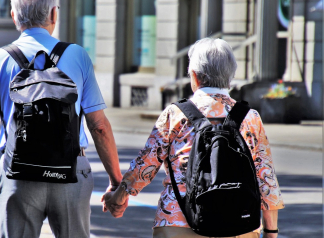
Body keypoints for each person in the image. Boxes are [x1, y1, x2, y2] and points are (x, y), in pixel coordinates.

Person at [0, 1, 125, 237]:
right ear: (53, 14)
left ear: (13, 15)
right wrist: (116, 181)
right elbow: (99, 126)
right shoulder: (77, 56)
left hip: (18, 174)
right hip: (71, 173)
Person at [102, 38, 284, 238]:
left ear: (195, 77)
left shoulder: (175, 114)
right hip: (239, 224)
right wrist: (271, 231)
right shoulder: (250, 118)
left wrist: (119, 196)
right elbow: (266, 179)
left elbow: (145, 165)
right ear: (230, 76)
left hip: (178, 222)